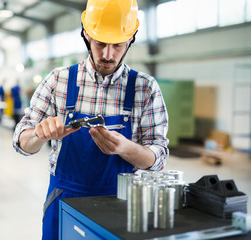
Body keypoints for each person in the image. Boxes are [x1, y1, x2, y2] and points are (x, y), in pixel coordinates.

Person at [13, 0, 169, 239]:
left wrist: (127, 149)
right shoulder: (58, 81)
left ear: (131, 38)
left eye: (117, 45)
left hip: (120, 204)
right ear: (86, 35)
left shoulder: (145, 88)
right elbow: (21, 143)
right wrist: (38, 133)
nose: (108, 55)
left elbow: (158, 159)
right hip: (64, 200)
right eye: (100, 43)